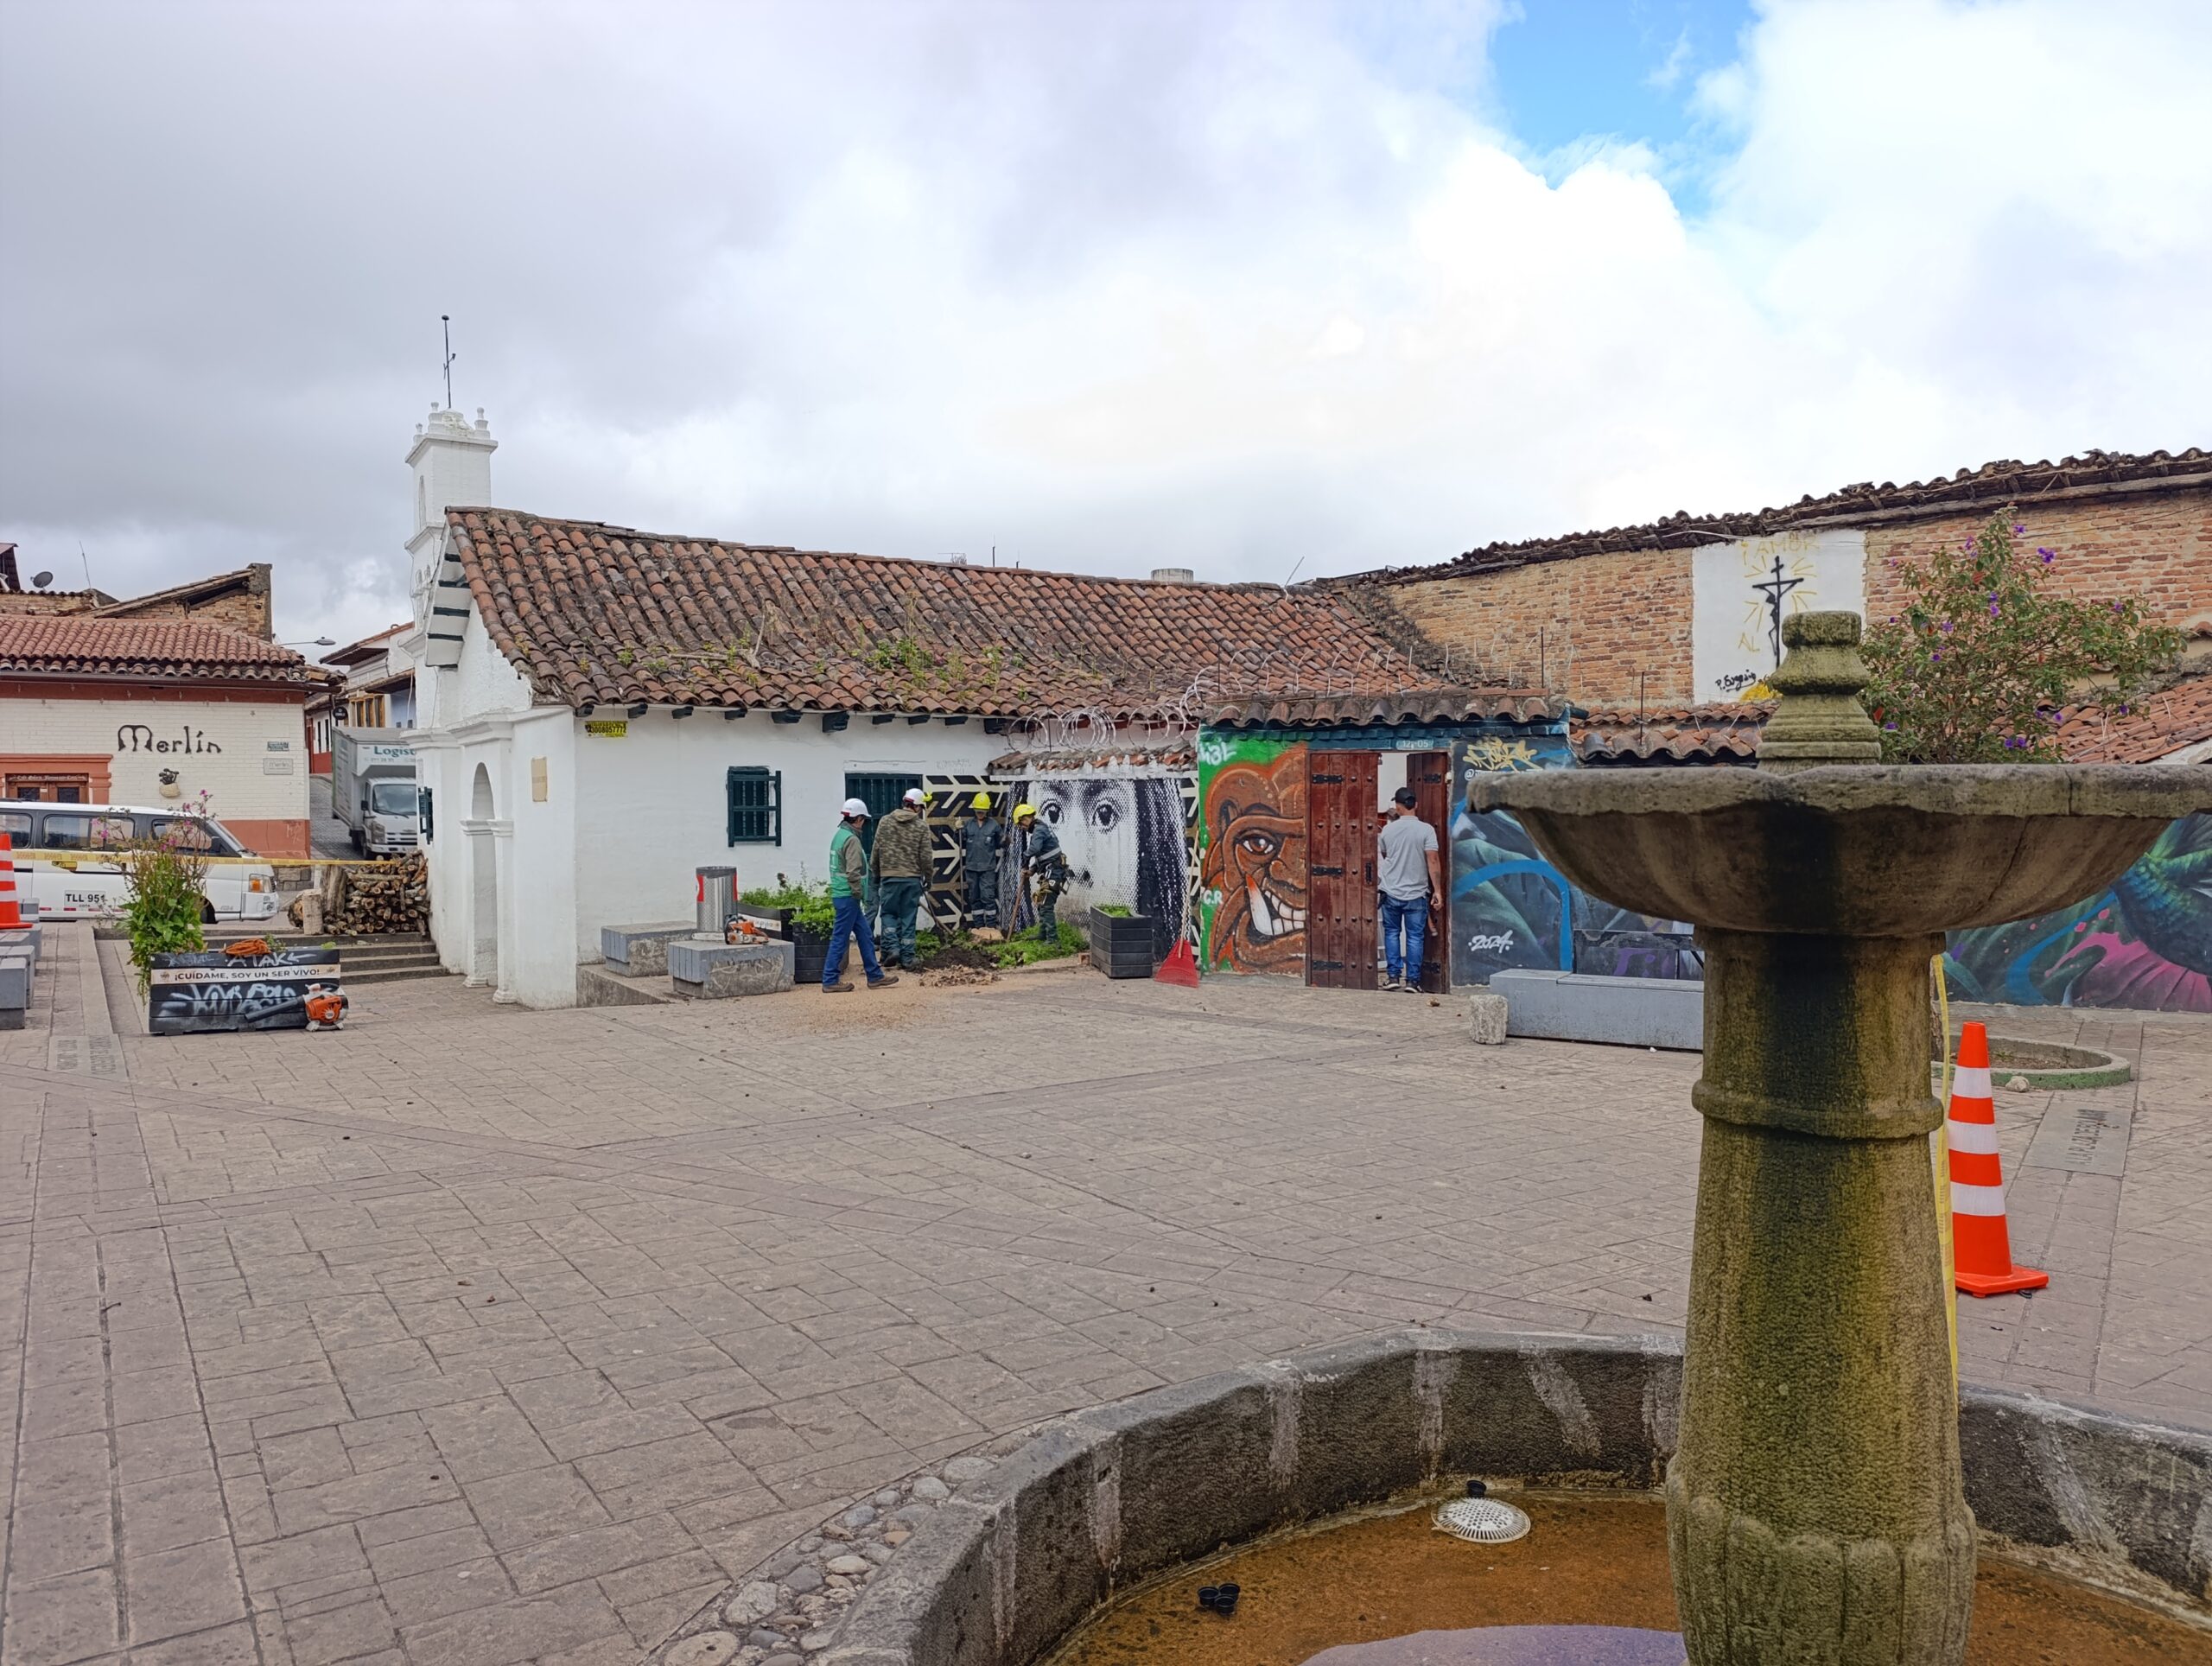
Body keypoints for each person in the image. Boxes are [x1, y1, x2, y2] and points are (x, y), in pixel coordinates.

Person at [823, 798, 898, 993]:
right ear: (857, 819)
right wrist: (859, 894)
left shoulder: (839, 835)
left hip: (843, 895)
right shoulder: (852, 840)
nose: (864, 823)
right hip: (849, 895)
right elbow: (853, 872)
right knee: (840, 937)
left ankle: (874, 976)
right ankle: (830, 979)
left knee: (865, 934)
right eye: (863, 819)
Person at [1376, 785, 1440, 991]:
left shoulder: (1388, 830)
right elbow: (1433, 860)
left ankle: (1393, 977)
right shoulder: (1427, 830)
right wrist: (1437, 890)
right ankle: (1413, 981)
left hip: (1391, 890)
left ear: (1398, 806)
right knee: (1415, 937)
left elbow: (1386, 854)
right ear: (1416, 805)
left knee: (1392, 933)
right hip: (1417, 893)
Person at [870, 787, 931, 971]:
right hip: (912, 879)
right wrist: (929, 877)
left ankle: (892, 948)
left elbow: (876, 850)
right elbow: (926, 856)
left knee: (888, 914)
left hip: (889, 876)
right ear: (918, 807)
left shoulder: (885, 822)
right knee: (908, 917)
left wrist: (876, 874)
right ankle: (908, 958)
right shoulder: (921, 826)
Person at [1013, 800, 1067, 938]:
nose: (1021, 828)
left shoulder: (1039, 830)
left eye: (1020, 824)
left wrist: (1025, 857)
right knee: (1041, 903)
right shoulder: (1039, 829)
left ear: (1025, 818)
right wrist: (1031, 870)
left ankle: (1053, 940)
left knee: (1046, 904)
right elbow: (1043, 856)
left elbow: (1035, 850)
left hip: (1054, 872)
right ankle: (1043, 934)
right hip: (1050, 870)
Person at [959, 792, 1005, 930]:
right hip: (972, 868)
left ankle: (990, 927)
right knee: (974, 898)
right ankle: (979, 927)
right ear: (974, 810)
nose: (980, 813)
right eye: (978, 811)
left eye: (982, 811)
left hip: (987, 869)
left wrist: (1006, 841)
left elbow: (1000, 842)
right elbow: (959, 843)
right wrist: (958, 831)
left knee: (988, 897)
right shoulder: (967, 825)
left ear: (987, 810)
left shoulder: (994, 825)